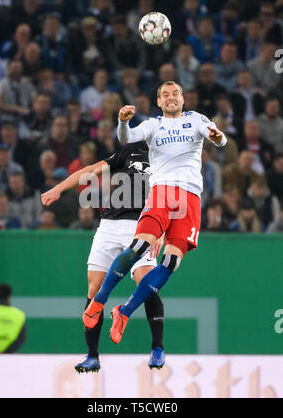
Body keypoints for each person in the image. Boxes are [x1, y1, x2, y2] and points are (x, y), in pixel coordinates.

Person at [83, 81, 227, 345]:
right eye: (165, 95)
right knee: (139, 246)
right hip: (161, 193)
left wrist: (217, 137)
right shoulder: (153, 125)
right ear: (159, 102)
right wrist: (123, 122)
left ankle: (124, 311)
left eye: (175, 94)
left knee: (171, 263)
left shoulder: (196, 120)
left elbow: (220, 138)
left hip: (190, 198)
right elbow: (126, 138)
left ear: (183, 99)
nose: (171, 98)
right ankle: (100, 300)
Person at [41, 144, 167, 373]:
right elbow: (91, 169)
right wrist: (58, 189)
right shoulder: (130, 151)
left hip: (144, 225)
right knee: (93, 288)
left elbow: (172, 196)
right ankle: (92, 356)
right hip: (109, 225)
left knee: (147, 283)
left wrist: (162, 230)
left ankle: (157, 348)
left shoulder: (170, 154)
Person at [0, 284, 26, 354]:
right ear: (10, 296)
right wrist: (5, 354)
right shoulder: (18, 315)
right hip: (7, 360)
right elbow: (21, 338)